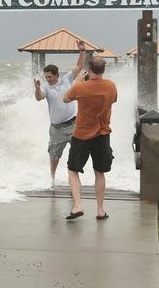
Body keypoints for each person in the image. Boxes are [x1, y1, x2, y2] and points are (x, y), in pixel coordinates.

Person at [62, 56, 117, 220]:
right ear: (104, 70)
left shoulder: (80, 87)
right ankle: (100, 210)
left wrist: (78, 81)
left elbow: (65, 99)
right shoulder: (111, 86)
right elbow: (113, 100)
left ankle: (78, 206)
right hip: (102, 134)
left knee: (73, 170)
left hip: (81, 134)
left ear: (89, 69)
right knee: (99, 172)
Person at [34, 40, 86, 186]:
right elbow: (39, 98)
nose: (48, 79)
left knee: (76, 154)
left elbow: (79, 66)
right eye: (46, 77)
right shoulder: (45, 87)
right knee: (54, 157)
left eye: (50, 77)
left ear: (57, 75)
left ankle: (74, 182)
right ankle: (52, 179)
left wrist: (82, 51)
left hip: (73, 124)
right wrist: (37, 88)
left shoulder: (67, 79)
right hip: (56, 128)